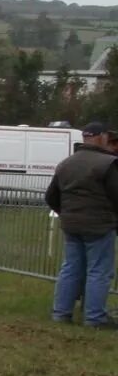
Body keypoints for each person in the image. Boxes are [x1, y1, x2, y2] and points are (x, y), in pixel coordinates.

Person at [45, 121, 118, 329]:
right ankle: (95, 318)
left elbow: (51, 196)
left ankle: (61, 313)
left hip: (71, 224)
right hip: (99, 225)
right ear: (101, 137)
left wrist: (66, 213)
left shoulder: (66, 163)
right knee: (98, 271)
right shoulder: (107, 163)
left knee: (70, 268)